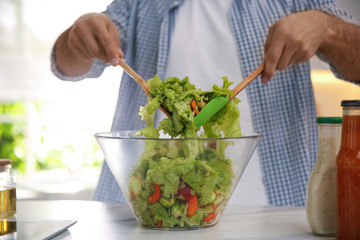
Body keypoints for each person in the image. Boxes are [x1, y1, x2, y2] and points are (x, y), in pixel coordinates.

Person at [51, 0, 360, 206]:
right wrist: (79, 37)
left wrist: (327, 28)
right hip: (150, 211)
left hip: (277, 209)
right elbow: (66, 66)